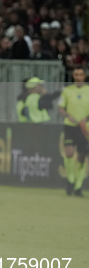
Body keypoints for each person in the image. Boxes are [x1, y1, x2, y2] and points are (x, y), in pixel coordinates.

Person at [58, 68, 89, 196]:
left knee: (82, 156)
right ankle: (70, 179)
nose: (78, 77)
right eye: (76, 74)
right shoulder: (67, 91)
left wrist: (87, 118)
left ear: (85, 76)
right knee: (69, 152)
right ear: (73, 76)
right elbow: (60, 107)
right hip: (70, 126)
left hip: (85, 127)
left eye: (81, 74)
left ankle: (78, 185)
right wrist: (67, 115)